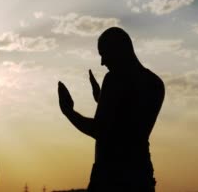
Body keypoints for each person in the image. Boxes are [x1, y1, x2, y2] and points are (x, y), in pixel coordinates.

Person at [58, 27, 165, 191]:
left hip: (110, 178)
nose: (102, 62)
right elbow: (127, 124)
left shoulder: (114, 79)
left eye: (103, 54)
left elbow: (101, 131)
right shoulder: (156, 84)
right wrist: (101, 99)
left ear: (118, 50)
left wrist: (69, 112)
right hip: (141, 176)